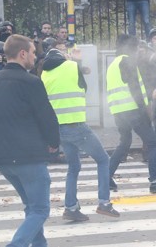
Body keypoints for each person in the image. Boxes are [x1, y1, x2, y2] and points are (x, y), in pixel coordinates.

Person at [0, 34, 60, 247]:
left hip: (4, 161)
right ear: (23, 53)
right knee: (40, 209)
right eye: (33, 52)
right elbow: (46, 116)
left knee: (31, 208)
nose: (35, 57)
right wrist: (54, 143)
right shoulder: (31, 82)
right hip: (29, 157)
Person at [41, 49, 120, 221]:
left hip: (59, 129)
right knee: (103, 159)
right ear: (62, 57)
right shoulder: (71, 66)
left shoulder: (45, 74)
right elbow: (83, 87)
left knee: (74, 166)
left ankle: (71, 207)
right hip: (76, 125)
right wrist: (76, 61)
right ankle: (104, 203)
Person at [106, 34, 156, 193]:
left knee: (125, 142)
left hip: (118, 111)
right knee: (152, 143)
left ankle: (106, 177)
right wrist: (146, 113)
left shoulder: (113, 64)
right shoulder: (128, 62)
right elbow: (136, 89)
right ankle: (155, 182)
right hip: (133, 110)